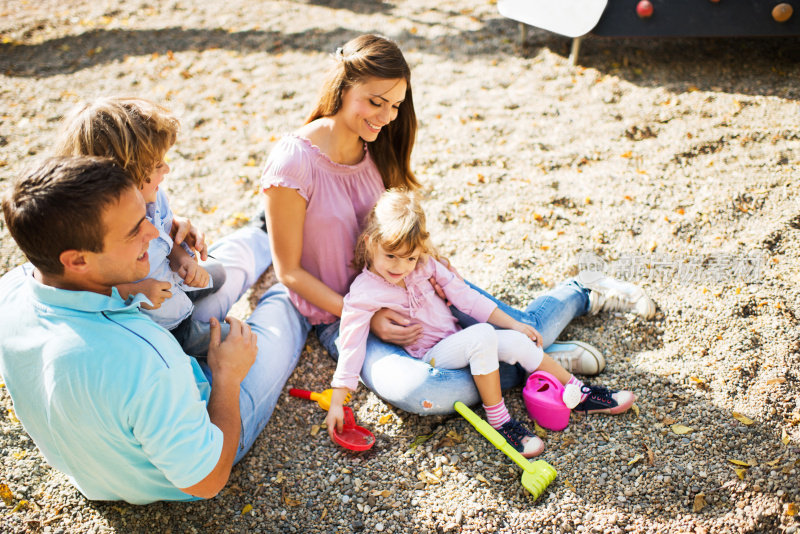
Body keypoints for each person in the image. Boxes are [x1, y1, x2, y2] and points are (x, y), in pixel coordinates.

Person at [261, 33, 656, 415]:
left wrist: (431, 261)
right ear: (343, 86)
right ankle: (540, 360)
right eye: (375, 102)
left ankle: (581, 291)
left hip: (416, 285)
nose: (386, 117)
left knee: (522, 327)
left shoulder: (376, 143)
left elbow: (396, 225)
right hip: (346, 313)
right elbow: (289, 271)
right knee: (425, 391)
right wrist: (367, 316)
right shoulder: (293, 162)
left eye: (395, 105)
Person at [0, 156, 309, 504]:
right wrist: (227, 376)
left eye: (145, 216)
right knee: (285, 310)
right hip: (199, 447)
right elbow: (207, 482)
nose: (154, 231)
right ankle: (304, 277)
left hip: (108, 455)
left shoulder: (11, 290)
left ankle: (264, 230)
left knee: (210, 270)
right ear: (77, 260)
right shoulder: (146, 359)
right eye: (135, 230)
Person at [326, 190, 636, 456]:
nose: (402, 267)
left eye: (410, 258)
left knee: (516, 341)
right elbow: (351, 341)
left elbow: (467, 299)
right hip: (431, 358)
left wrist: (513, 325)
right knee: (482, 336)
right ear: (369, 242)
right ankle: (500, 420)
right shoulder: (364, 291)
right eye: (391, 256)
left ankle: (578, 392)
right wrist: (339, 398)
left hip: (461, 343)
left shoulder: (424, 266)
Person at [53, 97, 231, 356]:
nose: (167, 169)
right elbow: (88, 291)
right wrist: (134, 290)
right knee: (232, 340)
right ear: (125, 176)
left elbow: (166, 232)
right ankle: (187, 334)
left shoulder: (153, 196)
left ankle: (188, 296)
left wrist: (183, 259)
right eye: (157, 166)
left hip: (172, 281)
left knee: (220, 273)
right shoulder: (97, 234)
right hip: (159, 322)